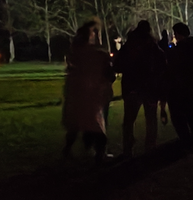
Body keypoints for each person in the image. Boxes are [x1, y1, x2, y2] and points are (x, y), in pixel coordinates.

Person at [62, 20, 115, 164]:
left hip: (77, 95)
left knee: (75, 124)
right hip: (93, 95)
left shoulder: (74, 54)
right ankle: (100, 153)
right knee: (97, 124)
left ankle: (68, 150)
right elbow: (110, 75)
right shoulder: (98, 55)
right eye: (94, 32)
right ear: (90, 36)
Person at [114, 20, 166, 158]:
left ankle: (128, 149)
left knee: (129, 121)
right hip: (150, 89)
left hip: (132, 88)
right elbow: (162, 66)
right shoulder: (153, 47)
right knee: (151, 120)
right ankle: (150, 147)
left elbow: (117, 65)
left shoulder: (129, 46)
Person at [165, 22, 193, 151]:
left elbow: (173, 67)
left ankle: (186, 141)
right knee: (191, 112)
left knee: (178, 115)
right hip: (191, 85)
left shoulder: (180, 50)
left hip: (179, 87)